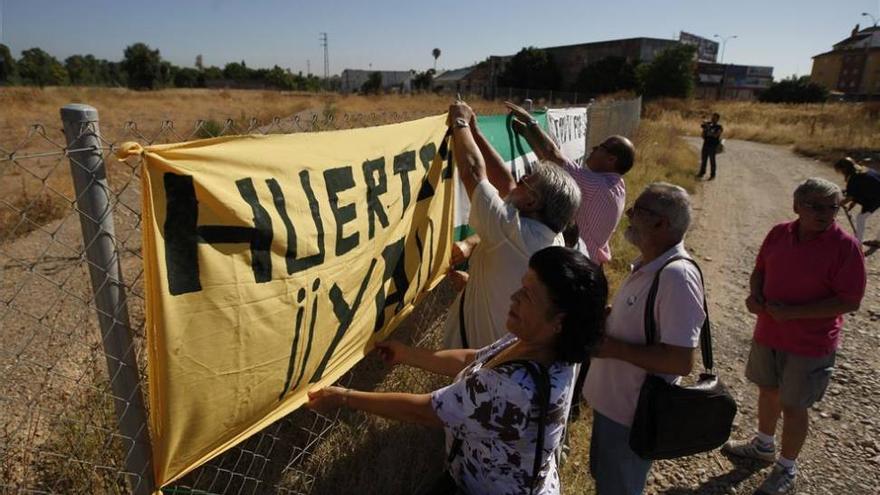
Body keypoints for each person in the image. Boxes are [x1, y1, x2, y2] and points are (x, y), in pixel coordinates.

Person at [306, 246, 609, 495]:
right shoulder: (545, 343)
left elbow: (425, 411)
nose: (514, 297)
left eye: (528, 295)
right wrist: (408, 354)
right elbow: (475, 359)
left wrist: (344, 397)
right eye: (522, 286)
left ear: (560, 320)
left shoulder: (514, 388)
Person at [722, 178, 866, 495]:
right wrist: (755, 295)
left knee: (794, 405)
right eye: (815, 206)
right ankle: (763, 445)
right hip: (769, 331)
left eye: (832, 207)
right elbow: (760, 269)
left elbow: (850, 301)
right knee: (768, 390)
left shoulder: (845, 247)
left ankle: (787, 467)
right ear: (796, 206)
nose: (825, 213)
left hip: (810, 344)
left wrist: (794, 313)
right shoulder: (779, 233)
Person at [582, 182, 707, 495]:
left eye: (637, 211)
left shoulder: (676, 277)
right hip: (614, 408)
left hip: (632, 416)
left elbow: (680, 360)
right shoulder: (650, 265)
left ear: (661, 223)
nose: (629, 216)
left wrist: (612, 347)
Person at [441, 102, 581, 349]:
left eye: (527, 180)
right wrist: (475, 133)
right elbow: (506, 185)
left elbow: (473, 172)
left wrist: (460, 122)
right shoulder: (551, 240)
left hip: (473, 371)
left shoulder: (510, 231)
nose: (521, 178)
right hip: (503, 359)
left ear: (532, 201)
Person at [504, 101, 635, 266]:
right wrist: (526, 133)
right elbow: (551, 162)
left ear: (611, 159)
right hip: (589, 261)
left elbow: (553, 157)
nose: (594, 148)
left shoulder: (597, 186)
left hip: (578, 261)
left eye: (601, 147)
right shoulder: (618, 185)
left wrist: (530, 122)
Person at [833, 156, 880, 248]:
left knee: (861, 218)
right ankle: (877, 241)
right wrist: (853, 202)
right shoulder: (863, 170)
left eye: (840, 170)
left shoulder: (855, 177)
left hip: (877, 196)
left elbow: (850, 196)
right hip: (876, 194)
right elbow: (860, 189)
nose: (841, 173)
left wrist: (838, 204)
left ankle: (858, 243)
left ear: (844, 169)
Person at [698, 113, 723, 180]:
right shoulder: (708, 124)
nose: (713, 119)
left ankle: (712, 175)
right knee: (704, 160)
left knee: (712, 161)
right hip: (706, 144)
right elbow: (703, 135)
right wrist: (705, 130)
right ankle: (702, 173)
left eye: (714, 118)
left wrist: (709, 131)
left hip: (713, 145)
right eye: (712, 117)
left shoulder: (719, 127)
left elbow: (716, 135)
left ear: (717, 119)